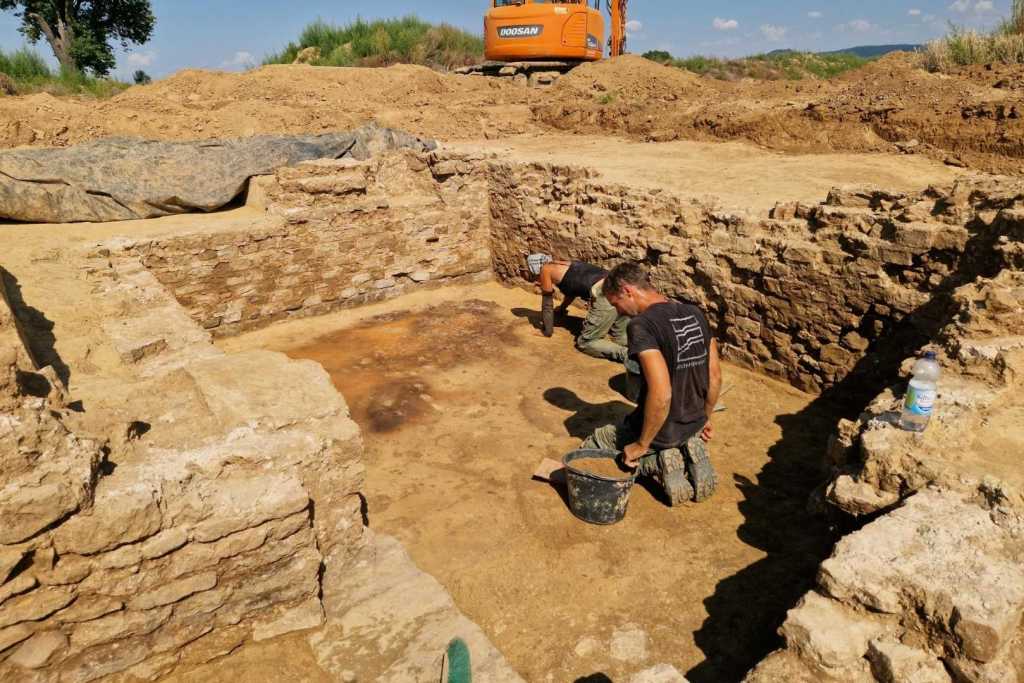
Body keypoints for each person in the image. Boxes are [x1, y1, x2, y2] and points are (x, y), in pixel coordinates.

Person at [581, 262, 722, 505]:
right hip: (694, 422)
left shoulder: (642, 325)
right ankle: (687, 446)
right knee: (671, 432)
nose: (620, 312)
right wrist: (704, 418)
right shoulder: (695, 313)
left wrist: (641, 444)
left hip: (663, 432)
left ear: (628, 291)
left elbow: (662, 393)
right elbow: (715, 376)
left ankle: (656, 461)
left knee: (596, 443)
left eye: (616, 304)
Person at [525, 254, 629, 362]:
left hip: (605, 294)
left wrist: (547, 331)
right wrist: (562, 308)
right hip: (619, 288)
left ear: (534, 268)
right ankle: (639, 350)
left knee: (586, 342)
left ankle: (628, 356)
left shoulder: (545, 269)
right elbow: (571, 290)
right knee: (621, 338)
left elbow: (547, 304)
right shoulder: (565, 263)